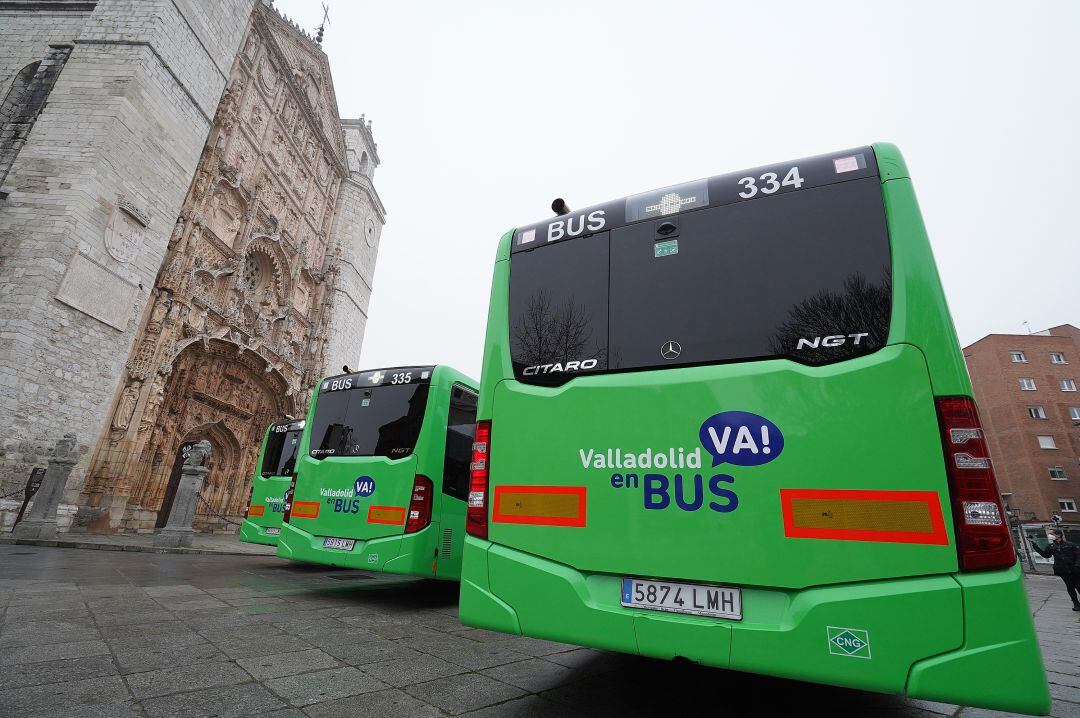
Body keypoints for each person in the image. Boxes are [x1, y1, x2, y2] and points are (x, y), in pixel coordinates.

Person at [1033, 528, 1080, 610]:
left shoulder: (1070, 544)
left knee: (1078, 586)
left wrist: (1077, 566)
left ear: (1058, 535)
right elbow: (1046, 555)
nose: (1050, 535)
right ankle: (1076, 604)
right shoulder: (1051, 546)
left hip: (1074, 569)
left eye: (1052, 534)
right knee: (1070, 587)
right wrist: (1036, 547)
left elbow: (1078, 556)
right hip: (1062, 570)